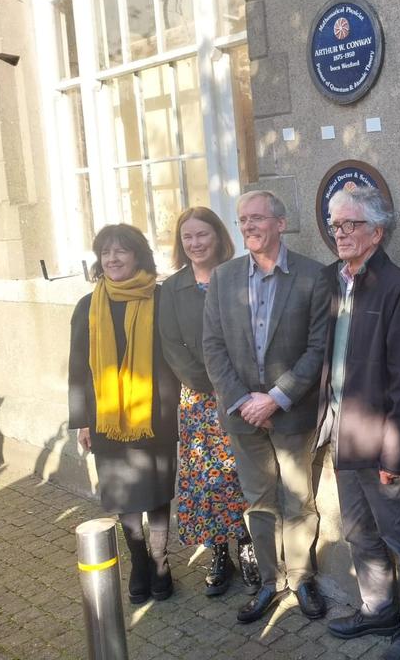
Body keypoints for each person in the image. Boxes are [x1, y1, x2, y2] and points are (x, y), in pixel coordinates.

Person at [314, 187, 400, 660]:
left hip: (380, 440)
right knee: (358, 532)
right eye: (335, 225)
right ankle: (378, 608)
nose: (340, 233)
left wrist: (395, 451)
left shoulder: (398, 288)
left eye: (350, 225)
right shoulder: (333, 280)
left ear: (377, 232)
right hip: (343, 433)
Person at [202, 190, 329, 624]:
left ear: (281, 222)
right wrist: (242, 400)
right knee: (258, 501)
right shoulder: (223, 278)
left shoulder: (313, 276)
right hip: (241, 414)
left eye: (257, 218)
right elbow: (212, 346)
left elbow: (318, 348)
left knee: (298, 499)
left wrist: (275, 397)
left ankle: (302, 578)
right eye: (242, 220)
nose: (249, 226)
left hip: (291, 411)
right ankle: (270, 583)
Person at [68, 224, 180, 604]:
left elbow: (177, 355)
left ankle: (161, 562)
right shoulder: (88, 305)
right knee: (123, 494)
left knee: (158, 490)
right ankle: (139, 564)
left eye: (122, 251)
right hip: (108, 420)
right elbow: (79, 367)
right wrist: (82, 418)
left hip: (156, 414)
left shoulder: (161, 298)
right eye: (106, 253)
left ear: (138, 256)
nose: (113, 259)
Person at [159, 207, 260, 598]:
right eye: (188, 237)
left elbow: (253, 334)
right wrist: (207, 382)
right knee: (207, 480)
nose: (196, 243)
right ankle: (220, 553)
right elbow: (171, 345)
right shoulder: (172, 288)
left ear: (218, 236)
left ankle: (248, 547)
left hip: (239, 393)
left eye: (202, 235)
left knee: (241, 473)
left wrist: (232, 383)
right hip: (200, 397)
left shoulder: (240, 275)